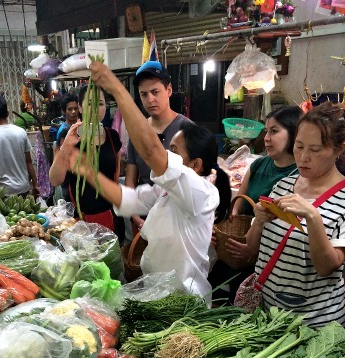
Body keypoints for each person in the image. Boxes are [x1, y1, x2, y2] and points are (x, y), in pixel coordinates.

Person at [69, 61, 231, 300]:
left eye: (173, 150)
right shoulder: (167, 191)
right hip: (157, 291)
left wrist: (116, 88)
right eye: (144, 94)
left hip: (182, 299)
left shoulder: (200, 191)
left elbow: (152, 152)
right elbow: (129, 199)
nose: (167, 154)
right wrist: (89, 173)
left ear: (195, 165)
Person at [245, 101, 345, 327]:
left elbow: (326, 267)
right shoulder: (283, 185)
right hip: (267, 316)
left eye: (315, 150)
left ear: (339, 149)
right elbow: (252, 249)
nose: (303, 157)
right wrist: (258, 223)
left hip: (313, 324)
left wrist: (313, 217)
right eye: (299, 146)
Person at [209, 105, 302, 301]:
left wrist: (252, 246)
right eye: (266, 131)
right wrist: (223, 228)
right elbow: (237, 206)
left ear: (294, 133)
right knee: (215, 282)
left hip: (269, 253)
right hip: (240, 242)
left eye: (274, 131)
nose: (267, 138)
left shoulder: (299, 176)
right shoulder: (258, 165)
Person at [125, 60, 192, 233]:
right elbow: (131, 178)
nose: (150, 99)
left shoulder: (188, 129)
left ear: (168, 90)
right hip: (144, 216)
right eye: (144, 94)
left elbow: (200, 179)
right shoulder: (137, 131)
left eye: (155, 92)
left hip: (178, 217)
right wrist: (135, 215)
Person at [49, 84, 122, 235]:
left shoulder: (113, 137)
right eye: (89, 103)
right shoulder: (69, 137)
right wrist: (66, 147)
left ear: (106, 107)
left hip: (111, 218)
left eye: (100, 103)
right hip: (82, 224)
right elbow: (55, 180)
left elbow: (115, 176)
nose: (95, 108)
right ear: (80, 108)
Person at [0, 95, 39, 197]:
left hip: (3, 192)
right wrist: (35, 184)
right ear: (7, 113)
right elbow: (29, 161)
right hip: (23, 188)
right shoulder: (21, 132)